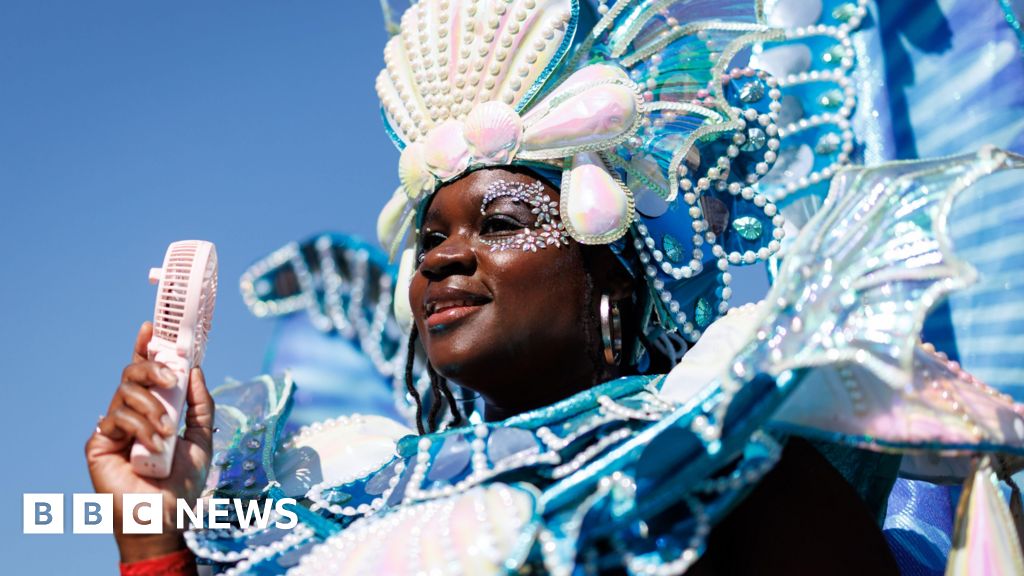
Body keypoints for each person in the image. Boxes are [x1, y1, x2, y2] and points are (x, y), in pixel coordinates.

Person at [87, 0, 1024, 574]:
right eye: (430, 236)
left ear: (607, 278)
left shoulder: (729, 464)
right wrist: (150, 533)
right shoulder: (354, 499)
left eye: (498, 225)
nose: (442, 260)